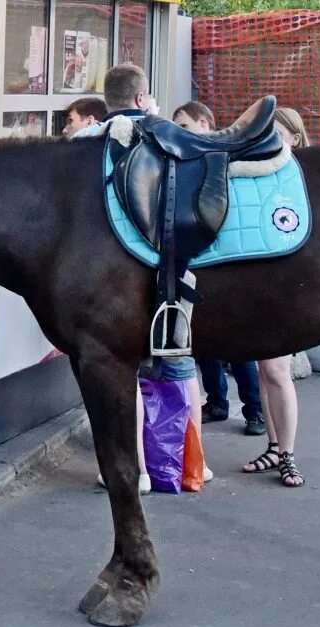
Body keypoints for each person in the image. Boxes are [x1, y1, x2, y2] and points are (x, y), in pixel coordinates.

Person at [76, 65, 211, 487]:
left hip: (111, 278)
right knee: (181, 366)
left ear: (106, 99)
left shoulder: (86, 142)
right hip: (174, 274)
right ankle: (193, 464)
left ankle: (134, 470)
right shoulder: (168, 136)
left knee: (125, 372)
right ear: (141, 98)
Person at [169, 103, 267, 437]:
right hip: (200, 268)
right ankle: (218, 402)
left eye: (184, 124)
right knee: (203, 342)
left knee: (240, 349)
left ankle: (255, 411)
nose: (180, 130)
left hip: (227, 267)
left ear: (204, 122)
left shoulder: (223, 164)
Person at [241, 107, 310, 487]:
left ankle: (287, 454)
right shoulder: (260, 174)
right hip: (260, 287)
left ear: (295, 139)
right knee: (266, 371)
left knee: (278, 373)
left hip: (284, 289)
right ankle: (274, 447)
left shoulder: (299, 178)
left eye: (276, 135)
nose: (268, 141)